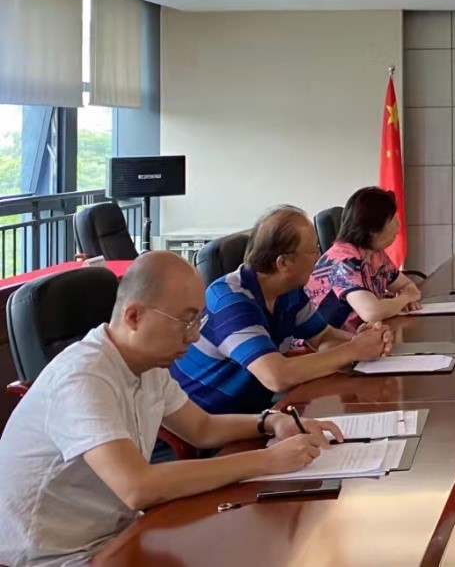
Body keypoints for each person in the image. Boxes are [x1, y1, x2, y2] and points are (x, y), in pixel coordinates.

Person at [0, 252, 337, 566]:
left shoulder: (147, 365)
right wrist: (267, 460)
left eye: (198, 321)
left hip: (115, 535)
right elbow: (138, 487)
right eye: (186, 322)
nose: (194, 337)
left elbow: (202, 429)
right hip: (52, 556)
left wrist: (271, 421)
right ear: (134, 316)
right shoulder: (82, 377)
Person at [172, 206, 394, 415]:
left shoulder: (289, 291)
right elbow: (276, 376)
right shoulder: (230, 301)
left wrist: (369, 340)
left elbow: (323, 336)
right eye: (314, 250)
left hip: (256, 412)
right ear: (283, 263)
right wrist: (353, 350)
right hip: (207, 423)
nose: (320, 257)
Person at [305, 186, 423, 329]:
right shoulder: (343, 261)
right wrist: (405, 299)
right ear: (372, 229)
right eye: (392, 218)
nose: (398, 226)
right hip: (321, 341)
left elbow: (407, 286)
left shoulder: (375, 254)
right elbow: (371, 312)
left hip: (354, 337)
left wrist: (406, 297)